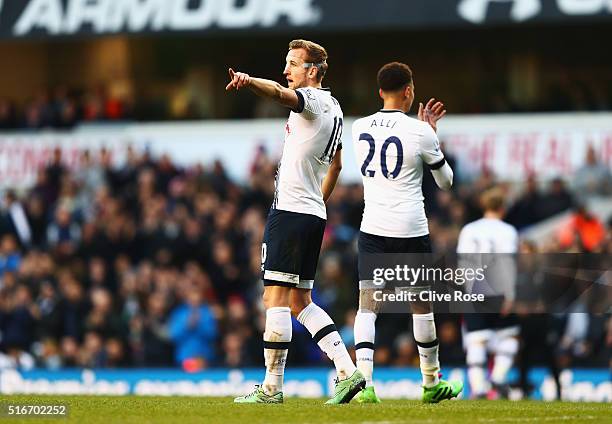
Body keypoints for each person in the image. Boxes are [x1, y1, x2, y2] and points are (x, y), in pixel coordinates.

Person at [226, 39, 365, 404]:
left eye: (293, 64)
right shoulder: (334, 107)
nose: (286, 71)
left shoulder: (314, 101)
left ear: (313, 71)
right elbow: (336, 165)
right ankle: (348, 372)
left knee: (274, 298)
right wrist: (317, 200)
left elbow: (278, 94)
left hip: (290, 213)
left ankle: (271, 388)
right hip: (310, 213)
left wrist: (247, 80)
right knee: (301, 301)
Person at [351, 62, 462, 403]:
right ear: (410, 92)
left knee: (367, 306)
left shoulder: (358, 127)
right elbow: (446, 183)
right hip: (410, 229)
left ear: (379, 91)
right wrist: (433, 137)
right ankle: (430, 382)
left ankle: (365, 385)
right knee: (420, 305)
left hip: (372, 227)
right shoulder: (421, 131)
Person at [457, 188, 520, 399]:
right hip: (498, 288)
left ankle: (478, 388)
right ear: (503, 207)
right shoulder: (508, 231)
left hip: (474, 287)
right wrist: (510, 295)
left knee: (476, 339)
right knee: (510, 335)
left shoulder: (469, 229)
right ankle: (499, 377)